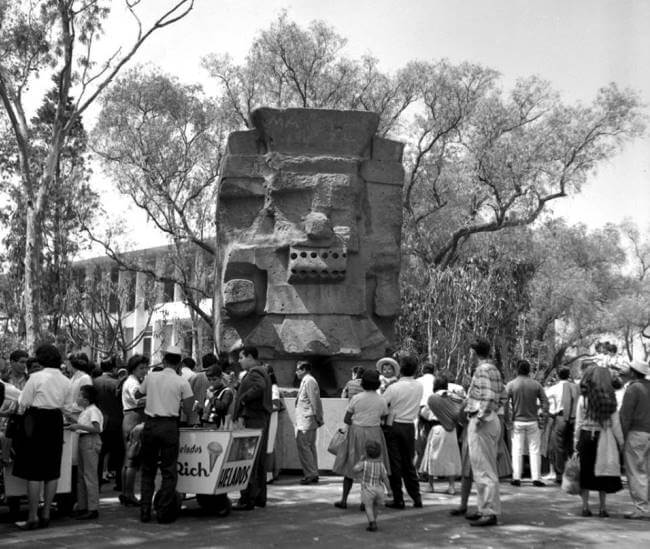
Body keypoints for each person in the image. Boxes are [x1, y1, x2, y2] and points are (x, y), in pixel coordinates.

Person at [13, 343, 72, 530]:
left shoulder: (36, 377)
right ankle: (46, 513)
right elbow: (68, 405)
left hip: (36, 420)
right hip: (55, 421)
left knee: (34, 472)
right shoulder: (65, 380)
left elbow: (24, 401)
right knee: (52, 470)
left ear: (41, 358)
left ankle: (32, 516)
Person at [137, 346, 193, 523]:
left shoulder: (151, 377)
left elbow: (138, 392)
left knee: (148, 469)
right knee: (169, 470)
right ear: (179, 364)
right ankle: (163, 511)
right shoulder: (181, 381)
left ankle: (145, 509)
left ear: (164, 360)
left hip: (151, 425)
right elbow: (189, 408)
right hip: (169, 426)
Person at [333, 369, 390, 509]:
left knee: (350, 467)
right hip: (375, 434)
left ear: (363, 383)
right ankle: (365, 502)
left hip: (356, 433)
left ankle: (344, 500)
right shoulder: (381, 400)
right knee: (371, 469)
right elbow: (383, 417)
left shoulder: (356, 398)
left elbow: (347, 418)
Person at [463, 338, 505, 527]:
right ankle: (483, 508)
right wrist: (493, 412)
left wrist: (480, 417)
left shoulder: (482, 370)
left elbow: (488, 395)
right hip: (491, 419)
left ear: (474, 352)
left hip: (482, 421)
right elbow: (502, 395)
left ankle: (489, 512)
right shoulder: (494, 369)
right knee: (483, 467)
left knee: (484, 468)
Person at [573, 364, 623, 517]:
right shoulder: (611, 398)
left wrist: (575, 441)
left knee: (585, 472)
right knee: (603, 471)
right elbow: (615, 424)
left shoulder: (584, 398)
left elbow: (579, 422)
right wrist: (621, 441)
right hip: (604, 439)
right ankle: (602, 508)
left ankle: (585, 507)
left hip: (586, 436)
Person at [232, 346, 272, 511]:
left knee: (250, 460)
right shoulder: (261, 371)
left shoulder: (255, 372)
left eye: (241, 358)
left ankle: (247, 499)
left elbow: (259, 387)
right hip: (258, 419)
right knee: (258, 461)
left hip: (253, 420)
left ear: (249, 357)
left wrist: (243, 399)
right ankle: (258, 497)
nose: (239, 361)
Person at [383, 353, 423, 509]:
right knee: (409, 464)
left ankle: (398, 499)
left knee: (395, 464)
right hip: (409, 426)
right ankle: (416, 497)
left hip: (393, 426)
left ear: (399, 369)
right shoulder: (419, 386)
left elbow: (382, 404)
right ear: (415, 370)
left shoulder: (394, 388)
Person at [506, 359, 549, 487]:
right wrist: (543, 417)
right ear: (529, 370)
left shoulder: (511, 385)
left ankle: (516, 478)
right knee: (535, 450)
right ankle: (536, 478)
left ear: (517, 370)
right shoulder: (536, 385)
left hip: (517, 421)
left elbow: (503, 402)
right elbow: (545, 402)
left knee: (517, 449)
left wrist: (507, 420)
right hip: (532, 421)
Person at [419, 375, 462, 494]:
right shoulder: (455, 397)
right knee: (451, 458)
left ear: (435, 386)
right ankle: (452, 486)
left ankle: (431, 486)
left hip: (437, 428)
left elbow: (424, 414)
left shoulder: (433, 398)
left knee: (432, 457)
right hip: (452, 430)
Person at [66, 385, 103, 520]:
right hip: (83, 440)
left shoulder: (93, 410)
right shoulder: (86, 411)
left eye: (81, 395)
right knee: (82, 475)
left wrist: (79, 426)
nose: (78, 398)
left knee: (89, 475)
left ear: (87, 400)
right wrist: (72, 419)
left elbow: (96, 428)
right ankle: (83, 506)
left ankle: (92, 508)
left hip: (90, 441)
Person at [619, 360, 650, 519]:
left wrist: (621, 437)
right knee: (647, 471)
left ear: (632, 372)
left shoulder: (633, 389)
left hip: (636, 433)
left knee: (636, 471)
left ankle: (642, 508)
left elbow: (625, 416)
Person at [119, 354, 148, 507]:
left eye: (145, 368)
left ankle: (126, 493)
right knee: (132, 460)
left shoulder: (134, 381)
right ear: (133, 369)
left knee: (129, 459)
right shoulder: (132, 383)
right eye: (141, 368)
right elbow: (139, 400)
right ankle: (129, 494)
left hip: (132, 418)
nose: (144, 371)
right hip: (134, 418)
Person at [94, 355, 123, 490]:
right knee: (119, 454)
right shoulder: (116, 383)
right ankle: (119, 483)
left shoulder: (95, 382)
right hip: (116, 421)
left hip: (99, 422)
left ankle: (97, 483)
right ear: (114, 368)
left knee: (100, 455)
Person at [546, 366, 579, 483]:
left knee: (558, 446)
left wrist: (551, 411)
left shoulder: (553, 388)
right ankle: (573, 473)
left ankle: (560, 474)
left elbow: (545, 400)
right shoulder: (576, 387)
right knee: (571, 445)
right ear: (569, 374)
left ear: (558, 375)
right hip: (575, 419)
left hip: (560, 418)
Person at [295, 361, 324, 485]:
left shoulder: (309, 381)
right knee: (309, 447)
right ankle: (313, 472)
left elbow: (314, 400)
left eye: (298, 369)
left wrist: (318, 417)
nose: (296, 372)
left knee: (304, 446)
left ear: (304, 369)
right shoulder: (306, 381)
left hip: (307, 419)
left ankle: (310, 474)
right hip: (306, 418)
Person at [353, 440, 391, 532]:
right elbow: (385, 478)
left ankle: (372, 523)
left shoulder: (364, 463)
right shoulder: (381, 464)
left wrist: (360, 460)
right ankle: (374, 520)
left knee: (368, 506)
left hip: (368, 489)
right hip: (379, 489)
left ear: (366, 453)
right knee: (375, 506)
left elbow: (355, 469)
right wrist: (389, 490)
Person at [66, 352, 93, 416]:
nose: (66, 363)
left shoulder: (85, 378)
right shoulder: (74, 377)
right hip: (71, 414)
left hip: (79, 415)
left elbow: (86, 401)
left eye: (67, 361)